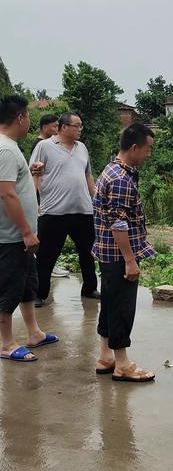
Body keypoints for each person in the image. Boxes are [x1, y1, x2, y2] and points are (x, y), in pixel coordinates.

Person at [92, 123, 155, 382]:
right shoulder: (120, 179)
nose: (149, 154)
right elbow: (118, 223)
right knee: (121, 307)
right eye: (148, 149)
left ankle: (106, 356)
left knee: (109, 303)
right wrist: (130, 260)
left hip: (108, 253)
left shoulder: (113, 170)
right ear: (134, 147)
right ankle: (122, 364)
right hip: (119, 255)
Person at [0, 95, 58, 362]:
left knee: (27, 284)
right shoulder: (6, 149)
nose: (29, 122)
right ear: (20, 118)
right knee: (9, 287)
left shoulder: (10, 147)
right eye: (28, 117)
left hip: (21, 236)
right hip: (11, 237)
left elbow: (17, 188)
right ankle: (6, 343)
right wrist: (25, 231)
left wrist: (34, 175)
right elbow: (7, 195)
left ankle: (33, 332)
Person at [29, 112, 99, 307]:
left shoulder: (82, 148)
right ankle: (39, 293)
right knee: (46, 255)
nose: (80, 129)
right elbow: (32, 172)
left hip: (83, 210)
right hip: (53, 211)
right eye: (77, 126)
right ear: (64, 127)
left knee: (88, 252)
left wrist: (96, 201)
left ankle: (89, 288)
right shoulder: (45, 146)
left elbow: (88, 176)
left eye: (81, 126)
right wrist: (32, 204)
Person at [31, 113, 69, 278]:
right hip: (45, 200)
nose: (56, 130)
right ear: (45, 127)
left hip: (47, 199)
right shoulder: (41, 145)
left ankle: (47, 264)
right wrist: (40, 198)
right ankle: (46, 265)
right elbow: (36, 174)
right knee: (45, 235)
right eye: (54, 126)